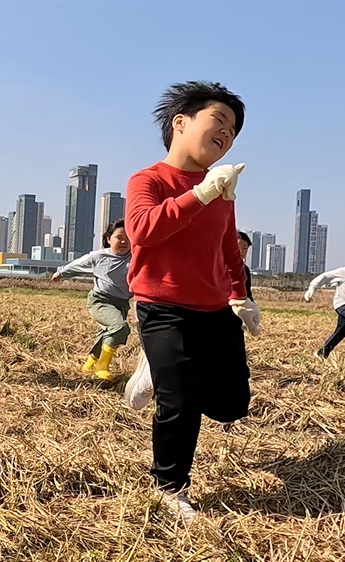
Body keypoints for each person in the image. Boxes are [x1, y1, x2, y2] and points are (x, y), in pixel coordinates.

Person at [120, 81, 259, 522]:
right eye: (218, 120)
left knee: (231, 405)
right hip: (162, 307)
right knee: (179, 402)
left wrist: (242, 295)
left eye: (233, 130)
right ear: (181, 123)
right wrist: (198, 195)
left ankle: (159, 369)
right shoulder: (148, 180)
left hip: (215, 309)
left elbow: (227, 248)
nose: (226, 133)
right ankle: (169, 487)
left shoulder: (221, 189)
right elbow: (142, 230)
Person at [50, 219, 132, 381]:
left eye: (128, 237)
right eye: (119, 237)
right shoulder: (100, 256)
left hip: (122, 303)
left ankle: (89, 364)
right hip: (100, 301)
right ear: (109, 239)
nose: (124, 241)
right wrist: (61, 273)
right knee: (119, 327)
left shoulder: (136, 256)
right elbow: (78, 264)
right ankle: (102, 365)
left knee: (105, 334)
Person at [237, 231, 255, 301]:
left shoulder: (245, 269)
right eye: (237, 247)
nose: (241, 251)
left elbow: (247, 294)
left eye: (244, 248)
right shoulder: (219, 267)